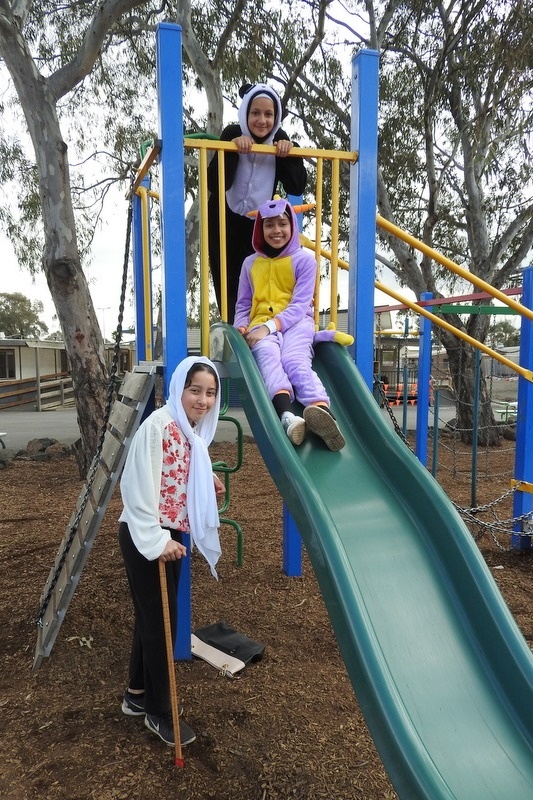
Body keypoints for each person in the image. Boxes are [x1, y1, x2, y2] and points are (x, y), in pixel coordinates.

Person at [118, 356, 225, 748]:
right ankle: (159, 713)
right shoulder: (158, 426)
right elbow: (137, 486)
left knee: (151, 617)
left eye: (210, 392)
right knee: (164, 625)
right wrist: (156, 540)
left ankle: (136, 695)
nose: (203, 400)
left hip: (169, 532)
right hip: (149, 534)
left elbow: (177, 470)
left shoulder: (189, 430)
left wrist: (205, 480)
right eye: (195, 390)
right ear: (179, 389)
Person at [233, 198, 346, 452]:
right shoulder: (250, 264)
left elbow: (298, 305)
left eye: (282, 224)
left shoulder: (305, 261)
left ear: (292, 226)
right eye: (269, 225)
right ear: (260, 230)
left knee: (294, 360)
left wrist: (271, 327)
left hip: (295, 323)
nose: (276, 231)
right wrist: (241, 325)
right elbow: (243, 304)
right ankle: (288, 417)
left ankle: (321, 411)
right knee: (267, 356)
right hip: (260, 324)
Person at [207, 82, 307, 323]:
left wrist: (290, 154)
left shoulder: (279, 139)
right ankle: (232, 327)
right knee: (227, 277)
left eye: (269, 114)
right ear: (245, 113)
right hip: (224, 220)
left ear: (277, 117)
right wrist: (233, 150)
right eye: (255, 113)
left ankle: (260, 328)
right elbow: (215, 184)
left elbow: (297, 186)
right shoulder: (232, 133)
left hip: (258, 225)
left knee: (258, 277)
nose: (262, 120)